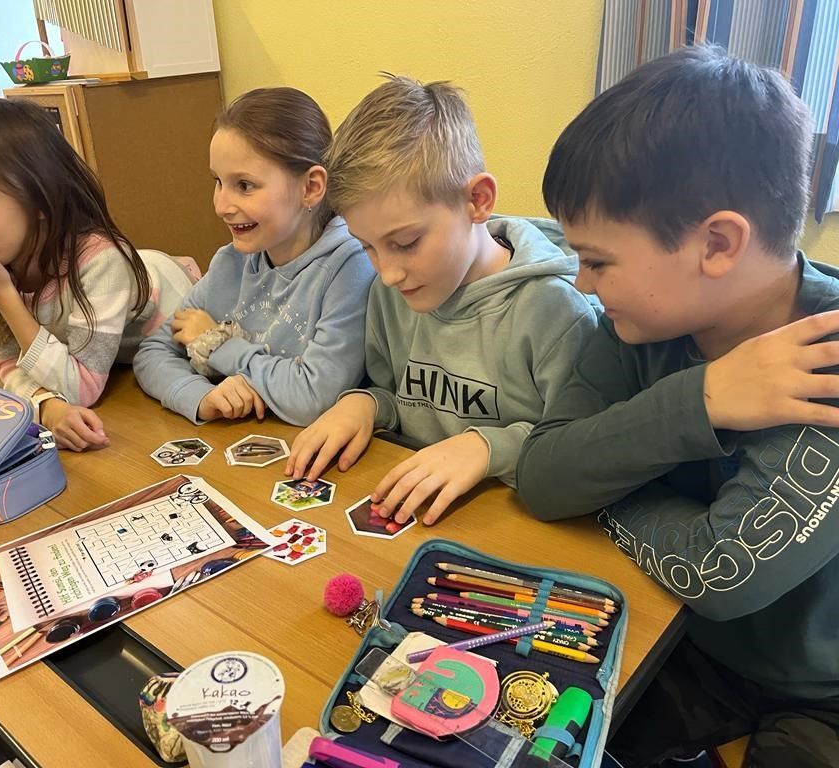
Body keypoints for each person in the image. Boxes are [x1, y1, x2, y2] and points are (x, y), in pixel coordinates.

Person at [516, 46, 839, 767]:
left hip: (822, 687)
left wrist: (603, 487)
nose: (582, 283)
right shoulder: (634, 325)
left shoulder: (831, 356)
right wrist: (704, 398)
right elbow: (541, 477)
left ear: (717, 244)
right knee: (524, 734)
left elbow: (720, 572)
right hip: (681, 636)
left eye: (598, 260)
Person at [286, 76, 597, 525]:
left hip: (518, 524)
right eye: (367, 246)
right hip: (425, 519)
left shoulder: (556, 310)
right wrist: (367, 404)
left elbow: (579, 450)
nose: (388, 273)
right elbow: (398, 395)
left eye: (406, 243)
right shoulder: (391, 293)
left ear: (477, 200)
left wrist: (487, 448)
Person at [0, 99, 198, 451]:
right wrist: (46, 406)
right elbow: (9, 361)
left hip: (171, 312)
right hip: (110, 359)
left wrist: (4, 295)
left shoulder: (101, 262)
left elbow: (82, 389)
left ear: (39, 198)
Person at [133, 87, 374, 426]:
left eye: (244, 185)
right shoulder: (230, 262)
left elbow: (313, 396)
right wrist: (199, 396)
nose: (221, 206)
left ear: (311, 187)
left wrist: (217, 344)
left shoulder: (351, 266)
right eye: (218, 182)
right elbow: (153, 352)